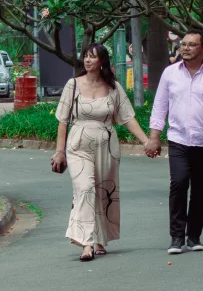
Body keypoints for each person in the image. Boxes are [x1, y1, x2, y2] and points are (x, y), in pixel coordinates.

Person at [51, 42, 149, 262]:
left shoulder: (113, 87)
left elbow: (127, 118)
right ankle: (86, 244)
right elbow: (62, 121)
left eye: (93, 57)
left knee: (104, 192)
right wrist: (60, 152)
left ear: (102, 61)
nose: (88, 60)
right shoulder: (72, 85)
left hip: (107, 146)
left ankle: (100, 238)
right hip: (78, 145)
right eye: (85, 56)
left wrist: (145, 141)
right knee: (85, 189)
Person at [145, 29, 203, 254]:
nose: (185, 48)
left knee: (200, 189)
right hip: (178, 139)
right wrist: (154, 137)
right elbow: (160, 106)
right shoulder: (170, 73)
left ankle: (193, 236)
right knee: (179, 183)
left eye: (192, 45)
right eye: (183, 44)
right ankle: (176, 237)